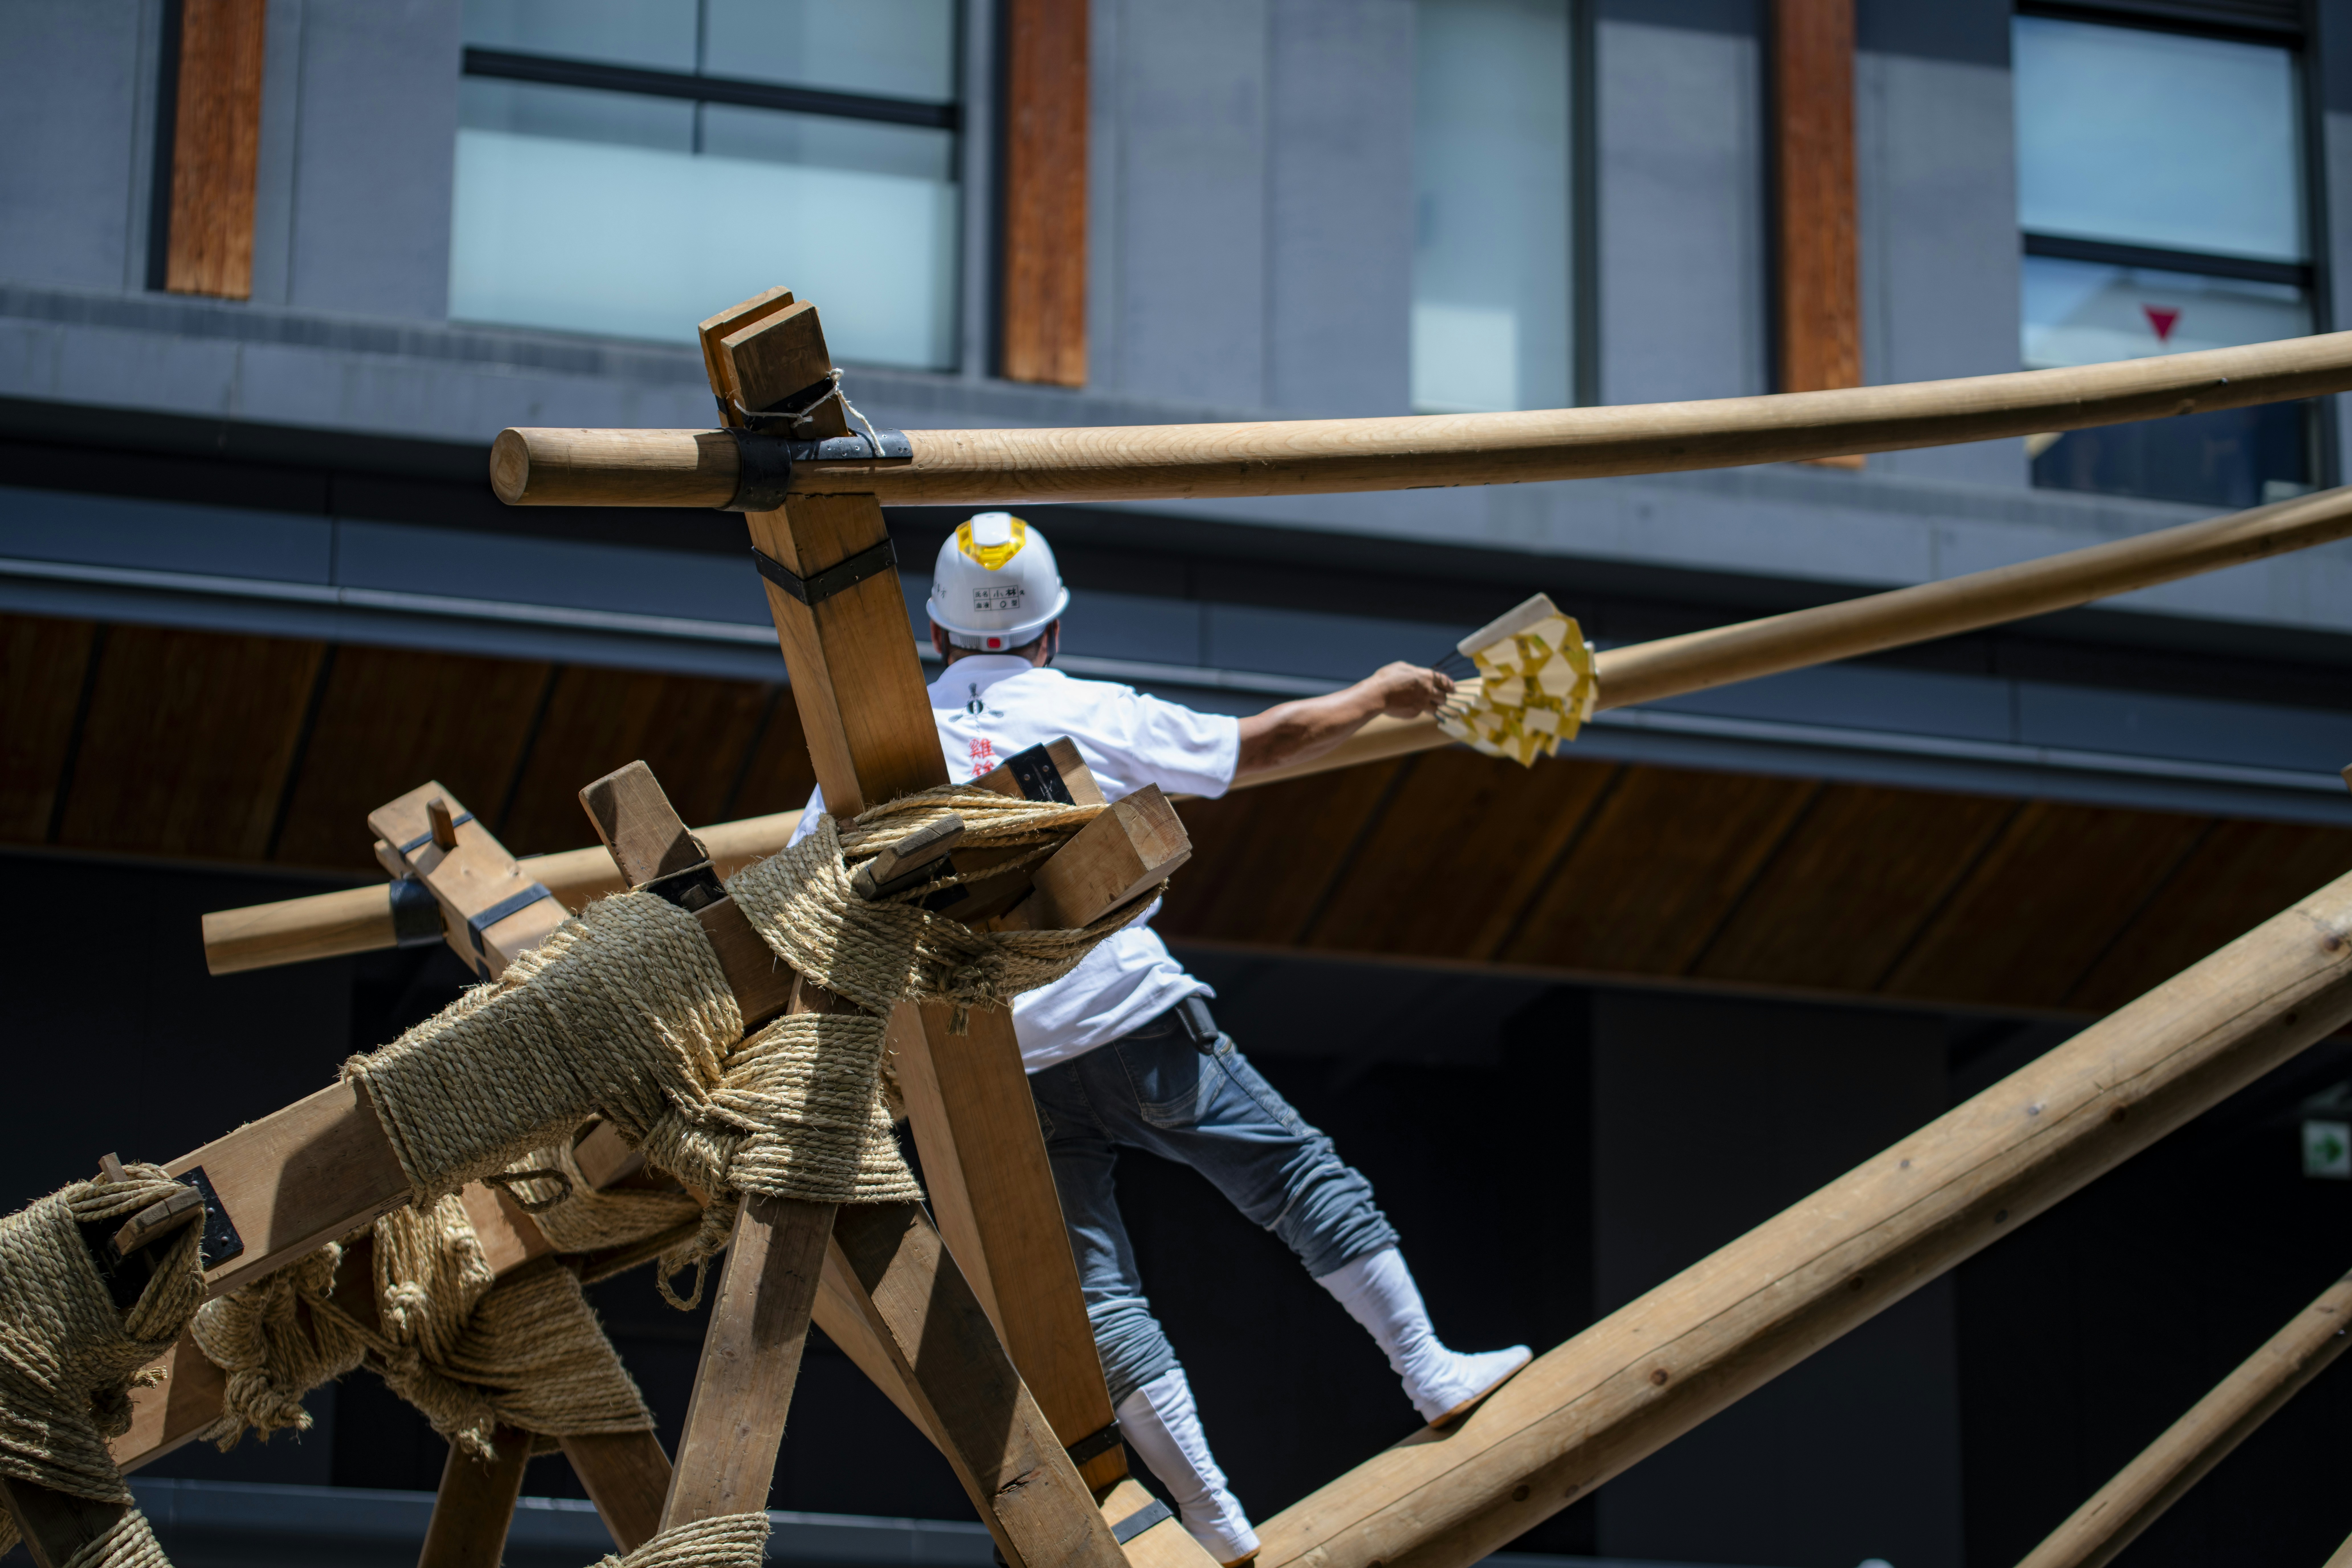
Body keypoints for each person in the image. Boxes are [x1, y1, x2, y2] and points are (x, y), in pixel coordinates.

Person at [790, 513, 1530, 1565]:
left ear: (940, 636)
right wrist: (1377, 694)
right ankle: (1428, 1370)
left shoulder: (872, 755)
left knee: (1097, 1293)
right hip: (1132, 1018)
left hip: (1008, 1068)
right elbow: (1256, 748)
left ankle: (1215, 1514)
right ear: (1049, 631)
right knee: (1297, 1179)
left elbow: (804, 896)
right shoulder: (1082, 708)